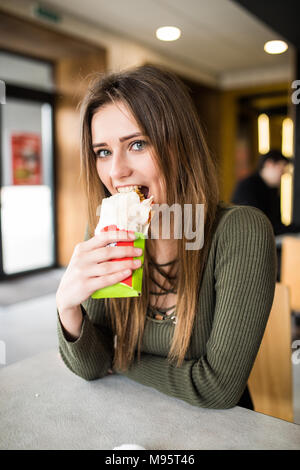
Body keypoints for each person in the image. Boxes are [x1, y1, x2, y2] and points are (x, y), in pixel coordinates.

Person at [56, 65, 277, 411]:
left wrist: (121, 359)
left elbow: (217, 388)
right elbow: (92, 366)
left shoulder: (240, 232)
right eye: (103, 152)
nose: (116, 172)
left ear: (181, 147)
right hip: (132, 420)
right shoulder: (107, 231)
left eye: (138, 144)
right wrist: (68, 308)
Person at [231, 150, 300, 236]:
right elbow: (255, 223)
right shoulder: (247, 186)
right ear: (269, 164)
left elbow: (276, 223)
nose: (282, 175)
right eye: (281, 170)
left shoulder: (273, 190)